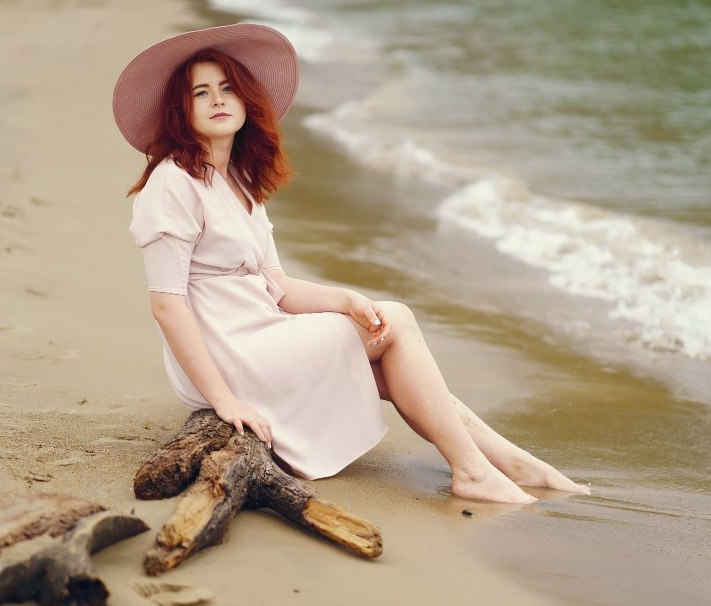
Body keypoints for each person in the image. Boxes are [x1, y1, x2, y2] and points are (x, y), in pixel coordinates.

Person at [112, 24, 589, 504]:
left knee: (392, 365)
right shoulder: (173, 182)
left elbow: (275, 283)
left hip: (261, 335)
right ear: (183, 109)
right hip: (231, 357)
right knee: (396, 320)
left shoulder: (238, 180)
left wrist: (344, 299)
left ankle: (508, 463)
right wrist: (223, 399)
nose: (218, 99)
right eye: (201, 92)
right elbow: (167, 305)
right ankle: (474, 470)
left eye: (228, 87)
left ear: (245, 99)